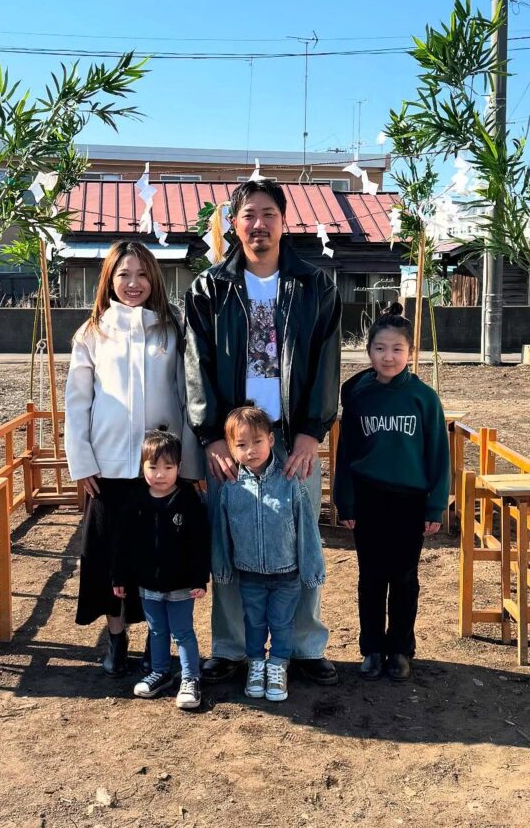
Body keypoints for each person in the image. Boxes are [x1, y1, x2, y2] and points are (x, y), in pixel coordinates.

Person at [185, 178, 342, 686]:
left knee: (302, 542)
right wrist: (211, 436)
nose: (259, 224)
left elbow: (325, 362)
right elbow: (197, 366)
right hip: (234, 442)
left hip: (292, 441)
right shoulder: (209, 288)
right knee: (230, 543)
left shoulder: (315, 286)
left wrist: (312, 432)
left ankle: (304, 646)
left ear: (283, 221)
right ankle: (230, 647)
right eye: (248, 214)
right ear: (233, 224)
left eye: (269, 213)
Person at [64, 240, 200, 676]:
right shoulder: (92, 333)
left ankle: (155, 642)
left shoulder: (169, 329)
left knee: (157, 559)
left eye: (142, 275)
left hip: (158, 470)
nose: (133, 284)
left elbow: (184, 397)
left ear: (154, 279)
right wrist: (81, 460)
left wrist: (189, 465)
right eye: (124, 275)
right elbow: (77, 401)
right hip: (108, 468)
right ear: (109, 279)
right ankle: (116, 639)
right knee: (109, 558)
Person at [333, 305, 450, 681]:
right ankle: (371, 649)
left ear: (410, 353)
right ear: (368, 351)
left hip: (408, 500)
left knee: (403, 577)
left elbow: (438, 455)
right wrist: (344, 499)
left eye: (397, 349)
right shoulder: (355, 393)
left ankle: (399, 648)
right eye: (380, 348)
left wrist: (435, 506)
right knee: (370, 577)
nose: (389, 356)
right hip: (368, 497)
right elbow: (346, 450)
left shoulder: (424, 399)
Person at [213, 407, 325, 702]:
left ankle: (278, 665)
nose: (251, 451)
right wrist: (222, 568)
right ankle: (256, 664)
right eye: (241, 445)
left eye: (258, 442)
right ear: (230, 448)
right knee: (253, 622)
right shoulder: (231, 488)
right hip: (249, 573)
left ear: (272, 440)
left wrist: (311, 568)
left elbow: (306, 529)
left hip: (286, 573)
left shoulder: (289, 481)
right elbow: (222, 534)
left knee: (282, 622)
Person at [113, 430, 209, 710]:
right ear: (142, 467)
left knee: (182, 632)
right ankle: (160, 671)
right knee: (156, 632)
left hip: (181, 584)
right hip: (147, 584)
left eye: (168, 467)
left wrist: (200, 578)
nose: (160, 474)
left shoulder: (188, 501)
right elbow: (123, 543)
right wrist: (119, 576)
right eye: (153, 467)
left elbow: (200, 544)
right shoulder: (136, 502)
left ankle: (191, 677)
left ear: (179, 467)